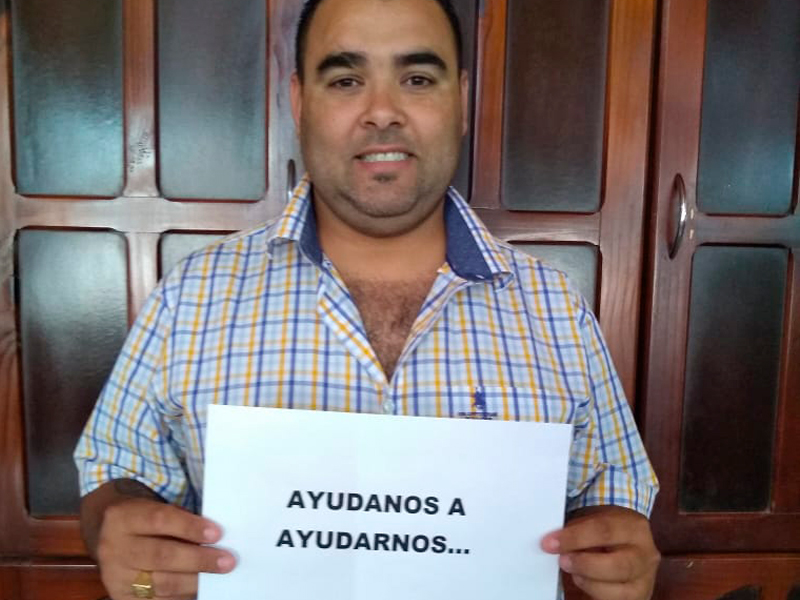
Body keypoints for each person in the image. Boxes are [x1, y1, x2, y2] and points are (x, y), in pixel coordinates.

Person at [74, 0, 660, 598]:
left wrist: (616, 553)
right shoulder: (193, 297)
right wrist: (117, 528)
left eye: (417, 79)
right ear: (300, 102)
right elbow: (113, 472)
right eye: (346, 80)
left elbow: (615, 493)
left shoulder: (554, 308)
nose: (382, 112)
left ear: (461, 101)